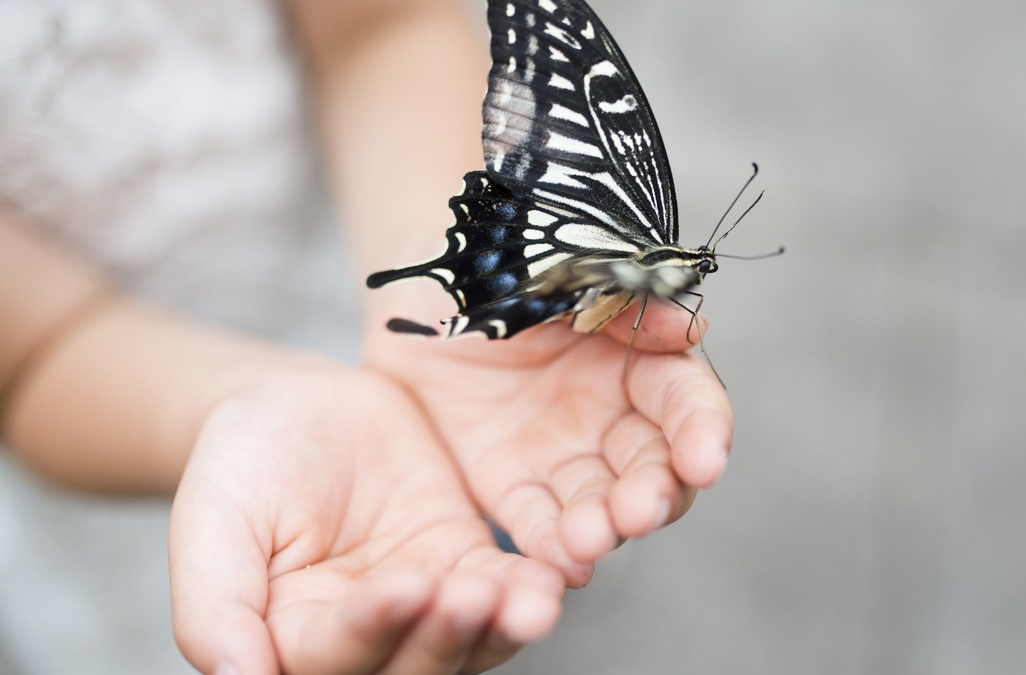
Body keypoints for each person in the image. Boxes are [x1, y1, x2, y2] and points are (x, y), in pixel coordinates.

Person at [0, 1, 733, 674]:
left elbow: (384, 24)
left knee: (506, 529)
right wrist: (235, 404)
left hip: (385, 263)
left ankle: (511, 520)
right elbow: (30, 356)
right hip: (116, 418)